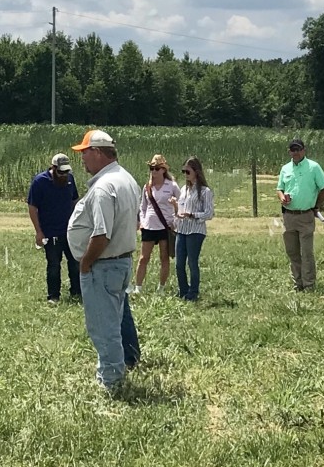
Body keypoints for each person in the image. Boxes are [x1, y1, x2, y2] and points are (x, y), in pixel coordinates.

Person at [67, 130, 143, 390]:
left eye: (85, 152)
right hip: (121, 262)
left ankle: (111, 379)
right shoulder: (126, 179)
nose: (82, 159)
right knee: (114, 319)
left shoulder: (103, 187)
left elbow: (101, 234)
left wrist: (85, 263)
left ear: (98, 152)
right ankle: (115, 368)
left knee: (103, 325)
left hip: (103, 265)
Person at [276, 138, 324, 292]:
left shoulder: (313, 167)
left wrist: (316, 205)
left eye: (298, 149)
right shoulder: (285, 168)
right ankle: (297, 283)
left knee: (306, 252)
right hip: (288, 215)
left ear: (304, 150)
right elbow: (279, 188)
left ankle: (309, 284)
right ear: (289, 152)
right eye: (293, 150)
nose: (296, 152)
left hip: (306, 215)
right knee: (292, 252)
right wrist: (281, 197)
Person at [26, 153, 81, 304]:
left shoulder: (70, 179)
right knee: (54, 265)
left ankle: (77, 292)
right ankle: (53, 296)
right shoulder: (40, 182)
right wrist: (39, 232)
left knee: (75, 262)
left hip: (70, 231)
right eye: (61, 172)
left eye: (66, 171)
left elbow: (75, 201)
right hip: (50, 232)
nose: (64, 175)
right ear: (53, 168)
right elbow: (32, 207)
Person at [133, 154, 179, 294]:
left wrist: (174, 220)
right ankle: (138, 287)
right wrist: (142, 221)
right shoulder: (147, 187)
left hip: (165, 226)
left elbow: (181, 203)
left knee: (164, 258)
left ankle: (161, 288)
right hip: (149, 226)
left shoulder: (172, 186)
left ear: (163, 170)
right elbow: (143, 207)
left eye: (157, 168)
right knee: (143, 258)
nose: (154, 171)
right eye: (151, 168)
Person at [174, 157, 215, 301]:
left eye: (188, 171)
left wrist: (193, 215)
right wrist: (176, 212)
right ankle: (183, 290)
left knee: (192, 262)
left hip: (195, 231)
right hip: (181, 229)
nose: (185, 174)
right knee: (179, 264)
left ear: (196, 172)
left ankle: (193, 292)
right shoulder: (184, 189)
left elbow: (209, 213)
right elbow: (181, 208)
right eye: (183, 171)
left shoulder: (205, 191)